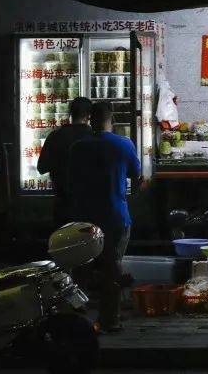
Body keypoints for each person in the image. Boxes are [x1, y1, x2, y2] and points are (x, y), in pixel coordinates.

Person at [67, 102, 142, 332]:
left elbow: (70, 179)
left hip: (84, 217)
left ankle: (75, 319)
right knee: (112, 267)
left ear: (90, 120)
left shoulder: (77, 147)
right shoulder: (123, 144)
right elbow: (135, 174)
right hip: (115, 216)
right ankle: (110, 319)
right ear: (112, 120)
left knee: (80, 268)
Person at [37, 97, 93, 226]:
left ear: (70, 114)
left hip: (63, 204)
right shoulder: (94, 137)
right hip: (90, 205)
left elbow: (41, 167)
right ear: (89, 116)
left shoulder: (55, 136)